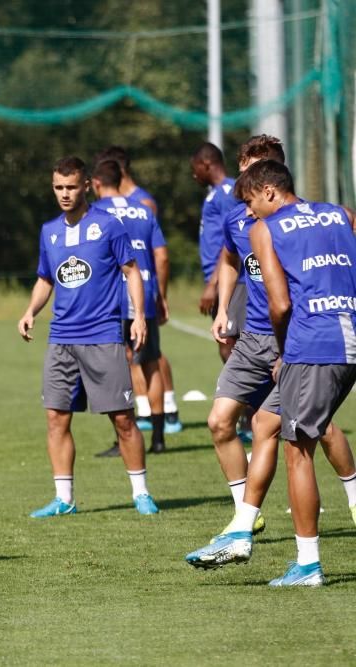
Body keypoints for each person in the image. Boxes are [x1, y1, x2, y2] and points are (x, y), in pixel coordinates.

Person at [186, 160, 356, 586]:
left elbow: (279, 304)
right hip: (348, 333)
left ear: (267, 192)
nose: (248, 214)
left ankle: (307, 565)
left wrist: (285, 351)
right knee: (265, 421)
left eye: (250, 203)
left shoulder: (267, 228)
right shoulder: (341, 214)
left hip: (312, 344)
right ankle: (243, 529)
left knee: (298, 451)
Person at [18, 156, 159, 517]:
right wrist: (30, 311)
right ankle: (64, 499)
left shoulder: (109, 225)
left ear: (85, 187)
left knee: (123, 419)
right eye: (58, 188)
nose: (64, 194)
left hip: (103, 335)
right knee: (55, 418)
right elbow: (45, 279)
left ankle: (140, 493)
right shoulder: (49, 231)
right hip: (61, 339)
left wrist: (139, 316)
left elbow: (132, 271)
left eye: (70, 187)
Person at [95, 146, 182, 433]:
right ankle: (159, 435)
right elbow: (162, 254)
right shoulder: (144, 209)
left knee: (118, 366)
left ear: (96, 182)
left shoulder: (96, 213)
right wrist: (160, 293)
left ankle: (124, 435)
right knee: (151, 362)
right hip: (144, 293)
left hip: (112, 299)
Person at [190, 142, 242, 363]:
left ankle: (247, 396)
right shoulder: (215, 194)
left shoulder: (228, 192)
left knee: (228, 342)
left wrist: (213, 284)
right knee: (226, 342)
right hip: (219, 277)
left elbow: (233, 239)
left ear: (206, 164)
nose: (194, 175)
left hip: (230, 279)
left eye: (195, 168)